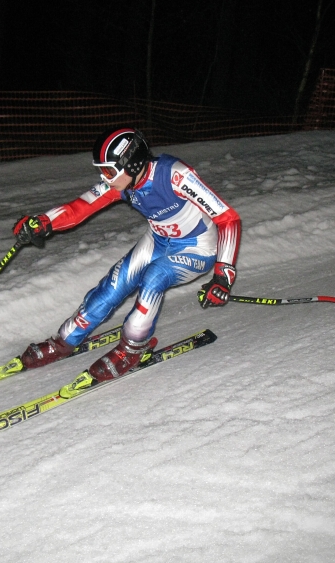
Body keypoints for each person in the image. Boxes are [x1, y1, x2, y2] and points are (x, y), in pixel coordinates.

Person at [12, 127, 241, 397]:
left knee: (154, 277)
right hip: (158, 240)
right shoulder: (124, 183)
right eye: (102, 171)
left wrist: (223, 274)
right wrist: (43, 222)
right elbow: (81, 207)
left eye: (109, 171)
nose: (104, 178)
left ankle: (134, 347)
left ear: (131, 162)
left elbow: (228, 218)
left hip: (197, 247)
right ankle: (64, 341)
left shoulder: (174, 174)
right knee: (113, 285)